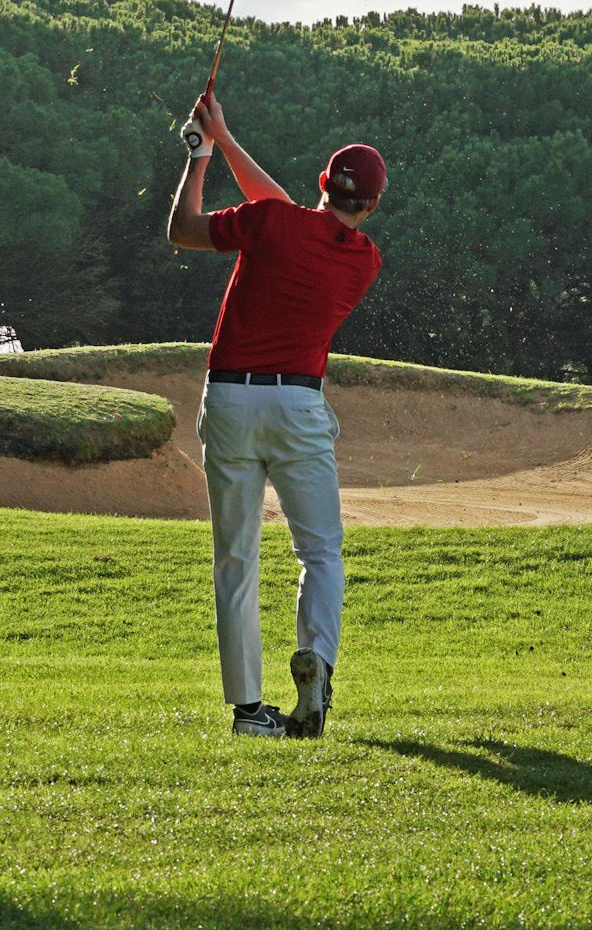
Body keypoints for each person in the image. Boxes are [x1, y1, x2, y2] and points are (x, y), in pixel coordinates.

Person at [166, 84, 384, 739]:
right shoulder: (363, 261)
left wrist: (201, 155)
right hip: (299, 406)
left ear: (322, 183)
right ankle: (316, 661)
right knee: (321, 553)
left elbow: (184, 229)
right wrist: (226, 139)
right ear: (368, 206)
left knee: (236, 558)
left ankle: (247, 712)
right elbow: (287, 211)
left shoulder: (271, 223)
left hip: (230, 399)